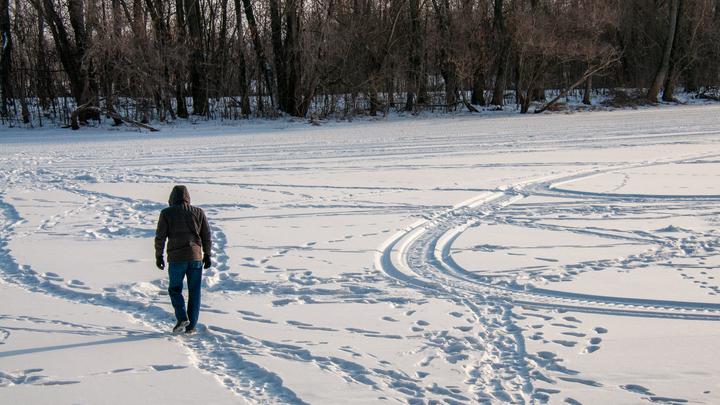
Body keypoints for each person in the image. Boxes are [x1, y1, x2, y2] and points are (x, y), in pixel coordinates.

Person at [155, 185, 212, 334]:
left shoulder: (167, 213)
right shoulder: (198, 212)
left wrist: (159, 256)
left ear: (172, 198)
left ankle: (181, 317)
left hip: (177, 258)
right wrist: (207, 255)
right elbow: (206, 236)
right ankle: (191, 326)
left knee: (174, 289)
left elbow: (160, 237)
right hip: (195, 258)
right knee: (194, 292)